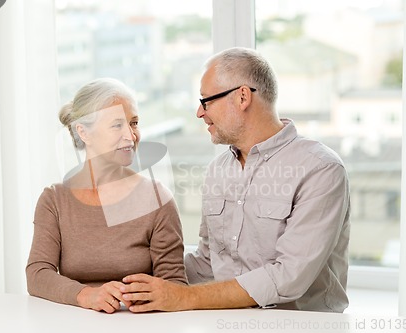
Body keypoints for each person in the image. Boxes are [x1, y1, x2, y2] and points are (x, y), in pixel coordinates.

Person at [121, 47, 351, 313]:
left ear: (242, 97)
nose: (199, 112)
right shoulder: (218, 169)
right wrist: (133, 274)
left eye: (206, 101)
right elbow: (210, 263)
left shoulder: (320, 169)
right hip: (225, 322)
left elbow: (289, 276)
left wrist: (183, 298)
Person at [26, 78, 187, 313]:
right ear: (84, 132)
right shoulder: (54, 200)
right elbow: (38, 274)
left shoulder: (157, 198)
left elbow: (174, 286)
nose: (131, 136)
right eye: (117, 125)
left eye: (134, 123)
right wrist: (86, 295)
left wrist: (144, 297)